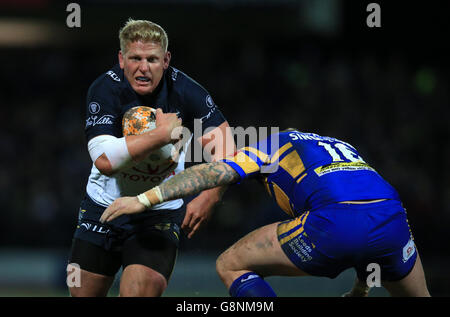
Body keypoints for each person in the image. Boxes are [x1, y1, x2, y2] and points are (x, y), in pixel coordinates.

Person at [100, 128, 431, 297]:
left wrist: (144, 199)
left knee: (230, 264)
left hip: (335, 221)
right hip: (392, 217)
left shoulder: (268, 145)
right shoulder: (336, 146)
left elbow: (214, 174)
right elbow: (365, 224)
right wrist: (360, 289)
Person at [68, 18, 235, 297]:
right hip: (102, 208)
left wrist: (211, 195)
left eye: (152, 59)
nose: (143, 67)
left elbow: (228, 148)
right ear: (121, 59)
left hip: (157, 213)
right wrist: (161, 135)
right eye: (135, 58)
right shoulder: (105, 90)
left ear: (166, 60)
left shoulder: (186, 91)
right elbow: (105, 162)